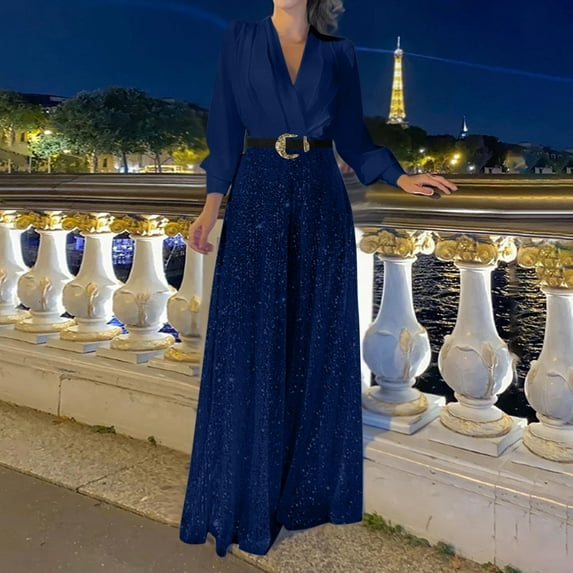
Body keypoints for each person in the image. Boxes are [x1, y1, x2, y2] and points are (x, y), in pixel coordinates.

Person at [179, 0, 458, 558]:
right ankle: (245, 490)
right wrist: (211, 207)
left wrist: (398, 176)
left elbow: (352, 135)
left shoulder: (339, 52)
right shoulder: (239, 37)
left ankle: (303, 491)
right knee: (250, 343)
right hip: (257, 194)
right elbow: (225, 129)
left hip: (319, 196)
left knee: (314, 343)